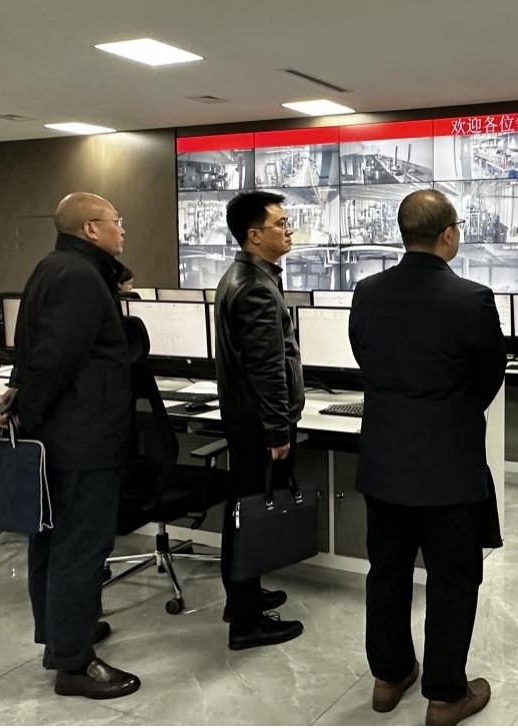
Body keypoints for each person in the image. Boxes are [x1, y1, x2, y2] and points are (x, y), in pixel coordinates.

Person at [348, 189, 505, 726]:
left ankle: (388, 677)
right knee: (452, 580)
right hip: (449, 465)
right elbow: (489, 378)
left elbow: (365, 359)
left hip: (384, 460)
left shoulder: (367, 293)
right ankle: (444, 695)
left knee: (387, 573)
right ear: (448, 234)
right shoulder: (473, 299)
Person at [0, 192, 140, 699]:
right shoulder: (80, 278)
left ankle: (62, 635)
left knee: (52, 543)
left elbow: (33, 349)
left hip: (60, 436)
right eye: (117, 221)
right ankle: (74, 664)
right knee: (81, 548)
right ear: (91, 229)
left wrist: (21, 403)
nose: (123, 229)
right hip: (84, 438)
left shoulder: (54, 267)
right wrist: (27, 409)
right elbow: (56, 358)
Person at [213, 190, 305, 650]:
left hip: (244, 419)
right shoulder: (253, 287)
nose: (289, 230)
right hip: (258, 424)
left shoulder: (244, 276)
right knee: (249, 516)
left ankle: (242, 597)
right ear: (254, 235)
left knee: (242, 511)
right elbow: (267, 367)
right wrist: (278, 429)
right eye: (280, 224)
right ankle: (247, 622)